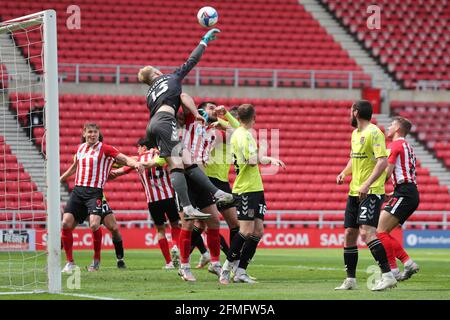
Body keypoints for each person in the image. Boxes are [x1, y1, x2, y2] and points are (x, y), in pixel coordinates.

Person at [138, 28, 234, 221]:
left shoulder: (149, 94)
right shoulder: (170, 78)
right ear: (157, 72)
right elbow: (191, 63)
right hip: (165, 122)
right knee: (177, 164)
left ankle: (215, 195)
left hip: (154, 124)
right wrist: (204, 41)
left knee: (187, 161)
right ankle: (188, 206)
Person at [59, 123, 143, 273]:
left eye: (95, 132)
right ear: (84, 133)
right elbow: (75, 166)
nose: (92, 135)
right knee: (66, 223)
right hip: (78, 191)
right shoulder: (80, 148)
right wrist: (60, 178)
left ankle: (97, 260)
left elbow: (124, 158)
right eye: (89, 132)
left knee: (94, 225)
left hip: (94, 192)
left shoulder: (105, 149)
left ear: (99, 134)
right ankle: (70, 262)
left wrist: (135, 164)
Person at [219, 104, 285, 284]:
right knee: (246, 230)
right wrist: (264, 151)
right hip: (246, 189)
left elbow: (255, 158)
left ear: (239, 118)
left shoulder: (238, 131)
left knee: (257, 231)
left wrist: (270, 158)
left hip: (256, 188)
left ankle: (240, 272)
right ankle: (226, 268)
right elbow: (251, 160)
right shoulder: (244, 135)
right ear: (254, 117)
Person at [335, 100, 397, 291]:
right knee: (349, 234)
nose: (349, 114)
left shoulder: (374, 132)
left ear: (355, 112)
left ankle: (388, 275)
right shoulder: (355, 134)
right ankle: (350, 280)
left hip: (370, 191)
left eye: (350, 111)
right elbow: (354, 158)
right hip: (355, 191)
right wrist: (344, 173)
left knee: (366, 233)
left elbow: (382, 161)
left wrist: (367, 184)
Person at [109, 138, 182, 269]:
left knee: (160, 230)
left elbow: (118, 172)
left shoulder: (137, 160)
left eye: (138, 147)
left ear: (143, 147)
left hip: (152, 200)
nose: (137, 150)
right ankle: (176, 246)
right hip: (168, 196)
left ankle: (168, 263)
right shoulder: (161, 154)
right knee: (175, 224)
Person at [185, 100, 241, 268]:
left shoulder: (226, 130)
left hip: (222, 181)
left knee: (232, 224)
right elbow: (236, 130)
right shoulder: (215, 131)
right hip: (209, 180)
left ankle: (230, 262)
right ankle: (189, 255)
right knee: (206, 222)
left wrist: (225, 121)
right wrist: (223, 121)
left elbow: (238, 130)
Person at [377, 117, 420, 281]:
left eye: (391, 125)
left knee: (379, 231)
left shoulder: (394, 145)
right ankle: (406, 264)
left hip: (405, 192)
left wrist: (375, 187)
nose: (388, 127)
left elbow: (387, 172)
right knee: (383, 231)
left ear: (397, 129)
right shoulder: (407, 146)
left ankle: (395, 270)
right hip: (406, 192)